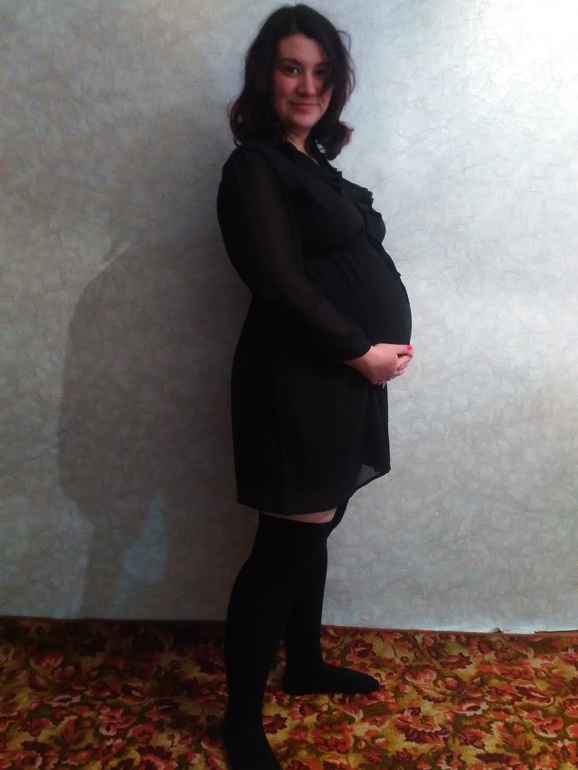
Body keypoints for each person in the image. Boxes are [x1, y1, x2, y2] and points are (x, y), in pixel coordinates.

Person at [216, 5, 413, 769]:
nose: (308, 86)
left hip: (341, 377)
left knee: (315, 527)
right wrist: (360, 352)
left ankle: (302, 664)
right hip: (297, 378)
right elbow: (277, 281)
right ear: (264, 76)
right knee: (285, 545)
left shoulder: (314, 167)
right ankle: (240, 721)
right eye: (291, 68)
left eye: (322, 72)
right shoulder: (255, 167)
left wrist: (367, 355)